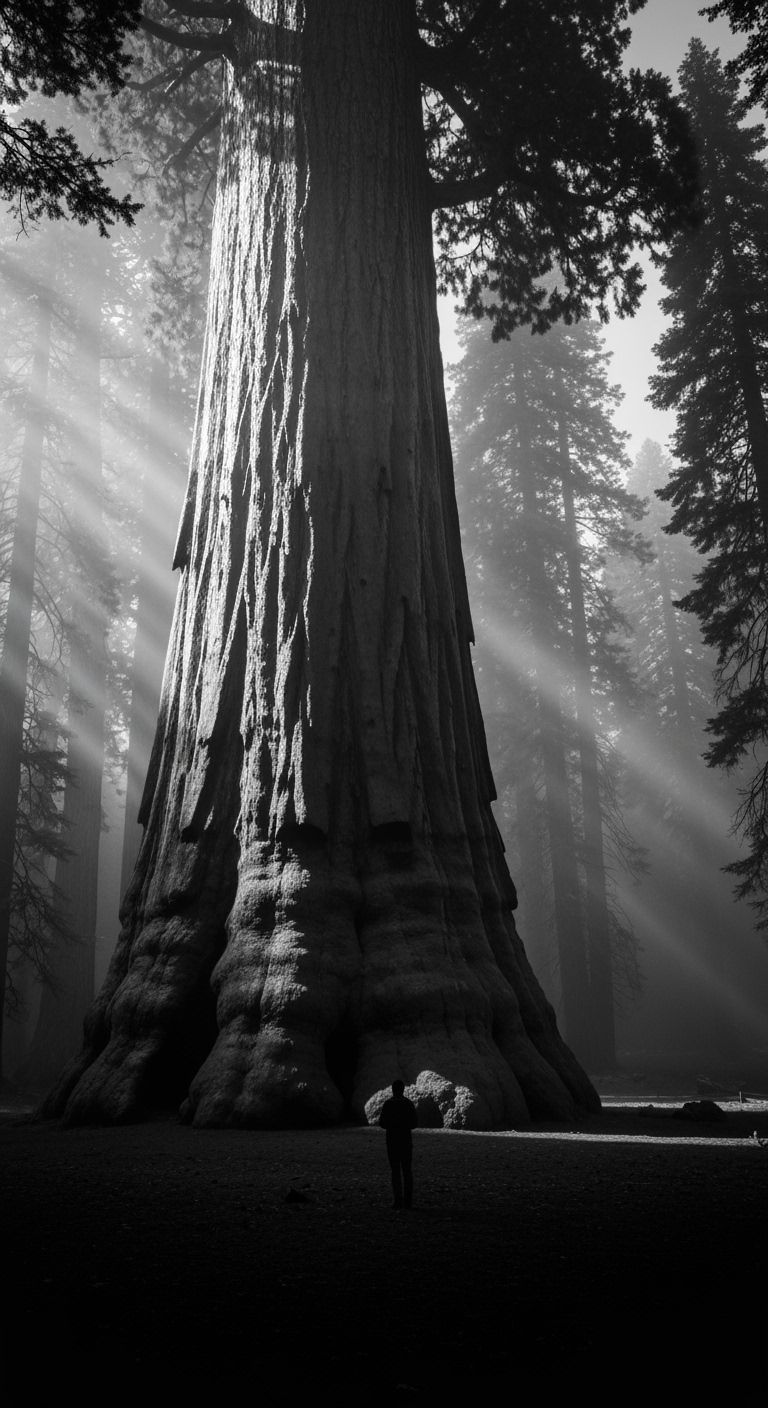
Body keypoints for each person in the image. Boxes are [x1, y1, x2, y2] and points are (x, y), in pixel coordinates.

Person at [378, 1078, 418, 1209]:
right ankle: (408, 1202)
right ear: (403, 1089)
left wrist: (393, 1125)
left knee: (395, 1171)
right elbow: (414, 1124)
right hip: (406, 1141)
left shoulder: (388, 1104)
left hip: (392, 1141)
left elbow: (382, 1123)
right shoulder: (408, 1103)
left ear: (392, 1089)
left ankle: (397, 1200)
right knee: (407, 1171)